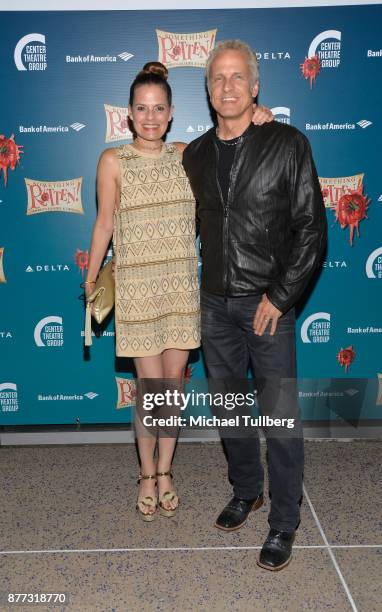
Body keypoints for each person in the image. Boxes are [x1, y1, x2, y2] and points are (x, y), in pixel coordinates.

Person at [84, 61, 272, 522]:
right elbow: (104, 223)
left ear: (171, 114)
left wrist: (261, 116)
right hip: (139, 289)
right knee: (151, 392)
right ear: (129, 114)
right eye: (142, 109)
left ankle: (166, 470)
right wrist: (90, 280)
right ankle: (145, 474)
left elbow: (237, 145)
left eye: (159, 109)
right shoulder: (113, 161)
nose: (150, 118)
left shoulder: (189, 155)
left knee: (172, 392)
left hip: (182, 288)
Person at [183, 40, 327, 570]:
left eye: (237, 77)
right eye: (218, 78)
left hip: (267, 306)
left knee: (282, 418)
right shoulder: (195, 154)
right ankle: (248, 490)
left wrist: (280, 296)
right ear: (208, 88)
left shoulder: (287, 143)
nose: (227, 87)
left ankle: (284, 521)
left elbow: (312, 228)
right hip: (214, 306)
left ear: (256, 85)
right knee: (230, 410)